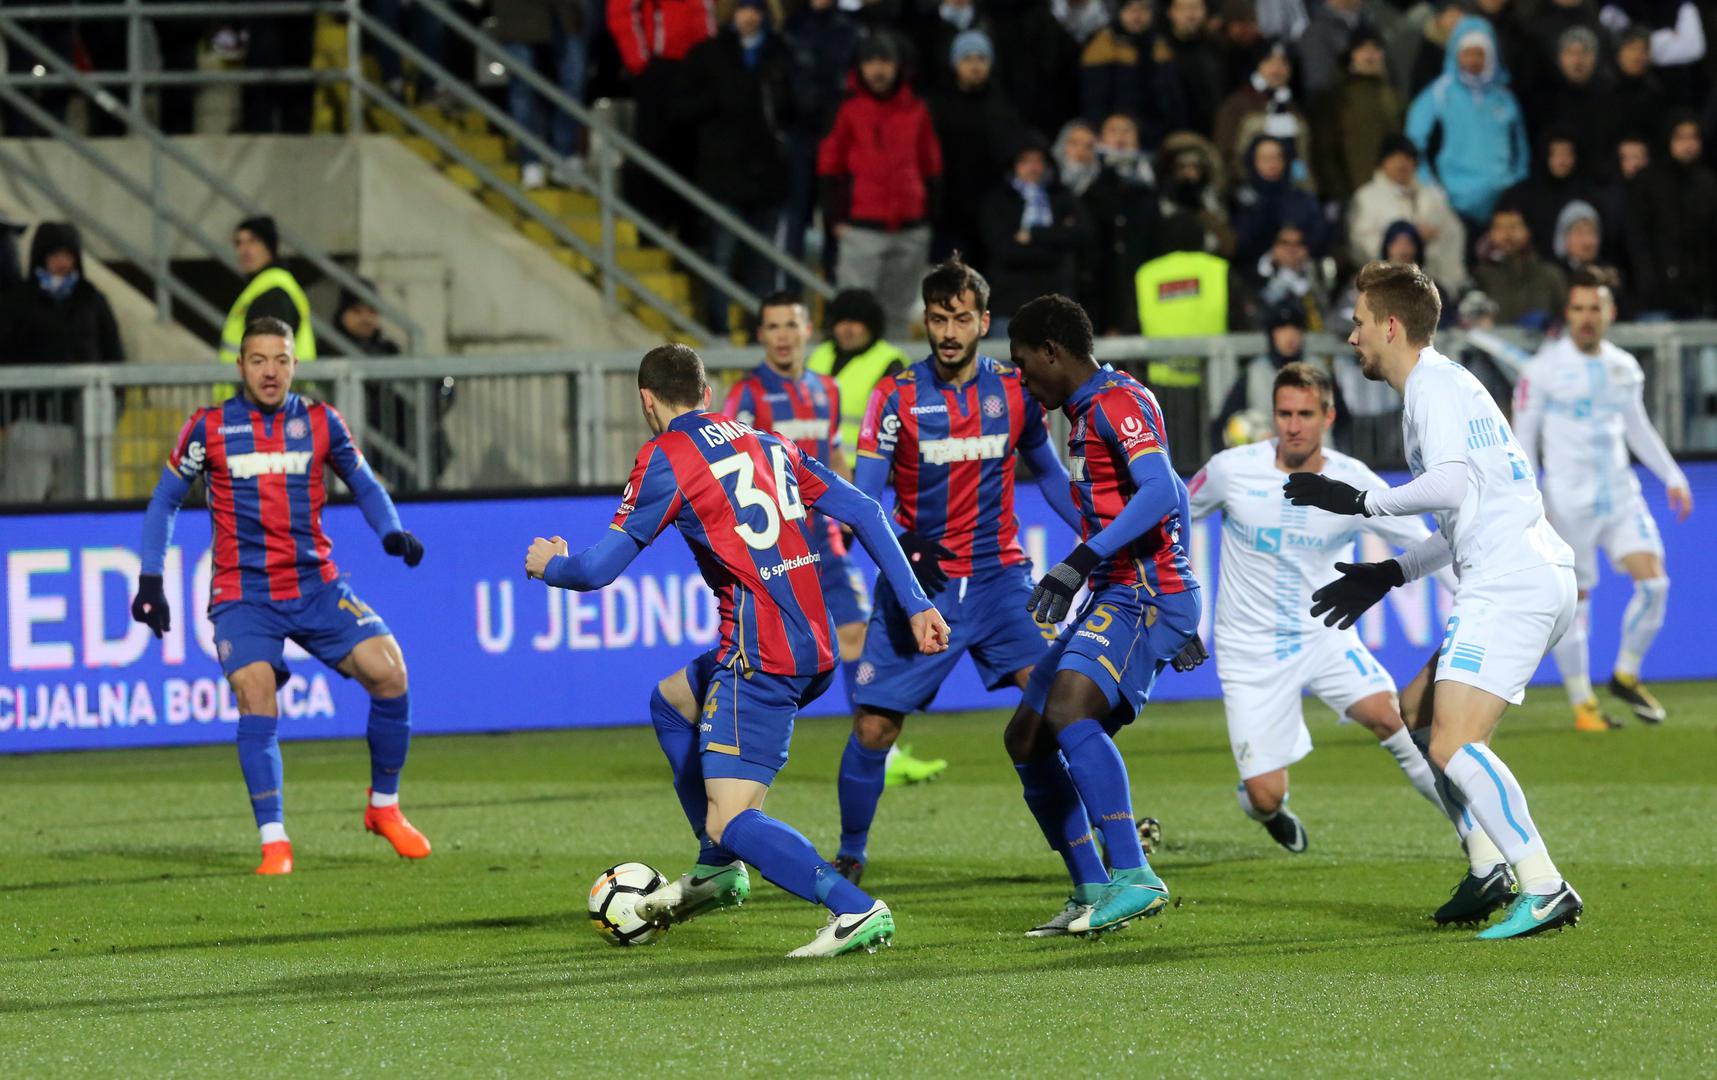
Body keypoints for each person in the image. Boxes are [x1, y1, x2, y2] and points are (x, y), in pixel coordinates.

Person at [523, 343, 950, 957]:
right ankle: (717, 868)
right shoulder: (767, 442)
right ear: (708, 394)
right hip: (815, 640)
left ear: (646, 400)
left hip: (760, 655)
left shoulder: (666, 456)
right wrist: (917, 603)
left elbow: (596, 570)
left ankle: (853, 907)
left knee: (730, 818)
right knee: (672, 702)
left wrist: (551, 565)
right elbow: (863, 508)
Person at [1285, 261, 1583, 939]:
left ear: (1390, 326)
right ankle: (1487, 866)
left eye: (1359, 323)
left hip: (1509, 582)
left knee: (1453, 743)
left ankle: (1543, 885)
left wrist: (1361, 501)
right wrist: (1390, 572)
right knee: (1417, 711)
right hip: (1524, 571)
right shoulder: (1446, 385)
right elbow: (1462, 513)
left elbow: (1447, 485)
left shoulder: (1430, 387)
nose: (1352, 337)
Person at [1189, 363, 1503, 907]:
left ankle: (1481, 845)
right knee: (1265, 795)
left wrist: (1475, 599)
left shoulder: (1354, 480)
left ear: (1328, 416)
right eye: (1284, 414)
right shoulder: (1229, 470)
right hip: (1249, 650)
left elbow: (1424, 541)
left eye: (1305, 414)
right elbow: (1170, 521)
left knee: (1393, 719)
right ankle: (1266, 808)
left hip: (1324, 636)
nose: (1293, 426)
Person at [130, 317, 429, 875]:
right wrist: (151, 580)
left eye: (282, 360)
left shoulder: (320, 421)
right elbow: (165, 500)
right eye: (259, 360)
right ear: (240, 366)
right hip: (243, 595)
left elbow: (364, 482)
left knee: (391, 673)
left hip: (315, 585)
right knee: (256, 690)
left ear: (294, 364)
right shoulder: (209, 427)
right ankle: (275, 843)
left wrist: (391, 530)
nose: (271, 371)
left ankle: (384, 807)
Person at [833, 258, 1084, 884]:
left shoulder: (1015, 392)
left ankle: (1105, 835)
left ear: (984, 321)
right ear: (924, 320)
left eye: (962, 319)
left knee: (1060, 704)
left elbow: (1051, 475)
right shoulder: (894, 397)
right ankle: (851, 852)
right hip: (923, 587)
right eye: (939, 319)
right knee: (874, 727)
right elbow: (865, 501)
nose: (949, 332)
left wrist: (1099, 536)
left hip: (1001, 581)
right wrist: (900, 550)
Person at [1003, 293, 1203, 937]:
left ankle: (1134, 874)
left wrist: (1084, 562)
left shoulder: (1118, 402)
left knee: (1068, 709)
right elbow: (1173, 495)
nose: (1023, 379)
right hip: (1121, 591)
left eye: (1023, 363)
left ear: (1052, 352)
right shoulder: (1086, 410)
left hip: (1141, 593)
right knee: (1027, 736)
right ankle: (1092, 886)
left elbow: (1163, 489)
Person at [1513, 272, 1692, 730]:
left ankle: (1626, 674)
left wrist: (1672, 475)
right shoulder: (1542, 370)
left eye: (1595, 308)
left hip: (1620, 495)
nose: (1587, 317)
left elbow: (1637, 426)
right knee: (1577, 604)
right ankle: (1583, 705)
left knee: (1655, 584)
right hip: (1566, 502)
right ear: (1567, 314)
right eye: (1578, 309)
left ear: (1610, 313)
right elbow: (1523, 437)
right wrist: (1533, 496)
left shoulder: (1623, 366)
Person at [722, 293, 872, 713]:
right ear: (761, 335)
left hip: (824, 537)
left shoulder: (827, 389)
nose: (783, 336)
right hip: (774, 545)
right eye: (773, 327)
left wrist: (851, 509)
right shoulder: (748, 395)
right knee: (771, 651)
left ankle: (876, 741)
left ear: (807, 330)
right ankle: (733, 726)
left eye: (791, 325)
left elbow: (834, 452)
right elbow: (728, 466)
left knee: (856, 631)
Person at [818, 30, 943, 341]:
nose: (878, 69)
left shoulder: (917, 110)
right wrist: (837, 220)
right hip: (862, 229)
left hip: (910, 231)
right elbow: (829, 167)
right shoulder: (847, 109)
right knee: (853, 315)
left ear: (898, 66)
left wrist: (926, 220)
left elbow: (932, 166)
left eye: (885, 61)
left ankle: (893, 374)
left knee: (898, 316)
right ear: (859, 67)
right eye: (871, 61)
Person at [677, 0, 793, 334]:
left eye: (756, 9)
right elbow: (680, 108)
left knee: (763, 265)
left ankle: (762, 335)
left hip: (768, 179)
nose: (749, 16)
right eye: (743, 8)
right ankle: (719, 330)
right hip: (723, 177)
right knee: (720, 259)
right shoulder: (708, 54)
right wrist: (719, 101)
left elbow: (796, 109)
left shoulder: (780, 54)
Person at [0, 222, 124, 502]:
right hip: (30, 422)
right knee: (22, 502)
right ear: (41, 257)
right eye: (55, 255)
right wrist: (9, 418)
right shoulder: (18, 302)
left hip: (82, 423)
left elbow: (114, 354)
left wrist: (113, 408)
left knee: (82, 501)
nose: (62, 263)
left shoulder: (92, 300)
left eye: (68, 256)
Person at [1404, 15, 1529, 230]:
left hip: (1502, 202)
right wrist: (1432, 188)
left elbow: (1520, 147)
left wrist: (1517, 186)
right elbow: (1414, 142)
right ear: (1456, 54)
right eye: (1467, 53)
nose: (1473, 61)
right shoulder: (1438, 95)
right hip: (1452, 204)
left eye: (1479, 54)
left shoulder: (1504, 98)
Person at [928, 29, 1024, 265]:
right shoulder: (939, 105)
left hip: (992, 208)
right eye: (967, 59)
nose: (975, 66)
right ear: (955, 63)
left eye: (981, 59)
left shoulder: (1003, 105)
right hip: (949, 210)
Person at [978, 140, 1092, 335]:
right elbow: (1004, 251)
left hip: (1058, 307)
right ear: (1014, 165)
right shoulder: (998, 201)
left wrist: (1032, 235)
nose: (1033, 167)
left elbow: (1081, 235)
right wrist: (1055, 243)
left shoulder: (1063, 197)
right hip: (1009, 306)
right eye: (1026, 161)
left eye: (1038, 161)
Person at [1624, 115, 1717, 318]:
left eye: (1693, 137)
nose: (1688, 144)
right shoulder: (1648, 181)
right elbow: (1637, 236)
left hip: (1700, 296)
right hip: (1656, 297)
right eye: (1681, 137)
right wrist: (1648, 281)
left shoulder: (1708, 183)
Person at [1346, 137, 1467, 292]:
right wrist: (1408, 239)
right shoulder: (1366, 198)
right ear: (1383, 162)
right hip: (1388, 286)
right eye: (1395, 158)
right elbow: (1360, 244)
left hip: (1436, 281)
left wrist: (1435, 237)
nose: (1401, 164)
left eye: (1407, 158)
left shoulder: (1433, 195)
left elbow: (1454, 233)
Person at [494, 0, 590, 190]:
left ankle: (565, 154)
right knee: (523, 88)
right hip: (516, 14)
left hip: (564, 12)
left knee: (574, 82)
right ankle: (530, 161)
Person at [807, 288, 910, 450]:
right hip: (814, 458)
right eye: (841, 321)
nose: (847, 329)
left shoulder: (890, 362)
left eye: (855, 321)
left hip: (862, 461)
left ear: (871, 325)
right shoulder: (820, 355)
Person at [1079, 0, 1186, 151]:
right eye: (1131, 10)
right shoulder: (1103, 43)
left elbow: (1172, 96)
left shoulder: (1160, 44)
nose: (1137, 16)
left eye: (1144, 10)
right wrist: (1101, 130)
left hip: (1158, 133)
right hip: (1115, 136)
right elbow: (1094, 98)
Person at [1311, 28, 1402, 203]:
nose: (1370, 55)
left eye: (1376, 49)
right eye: (1363, 49)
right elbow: (1325, 150)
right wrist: (1340, 194)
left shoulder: (1394, 96)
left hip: (1394, 193)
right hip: (1355, 194)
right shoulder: (1336, 97)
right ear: (1351, 55)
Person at [1213, 39, 1311, 186]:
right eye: (1269, 61)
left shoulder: (1294, 108)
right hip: (1246, 187)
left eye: (1284, 63)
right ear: (1257, 65)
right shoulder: (1236, 105)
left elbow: (1302, 156)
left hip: (1290, 188)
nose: (1277, 69)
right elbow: (1224, 153)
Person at [221, 216, 314, 366]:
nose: (244, 250)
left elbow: (268, 359)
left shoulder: (272, 291)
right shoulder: (262, 286)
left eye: (253, 241)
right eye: (238, 243)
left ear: (270, 246)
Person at [1472, 205, 1567, 330]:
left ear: (1528, 231)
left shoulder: (1550, 275)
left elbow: (1566, 319)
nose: (1507, 234)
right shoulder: (1479, 277)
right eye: (1499, 227)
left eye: (1513, 227)